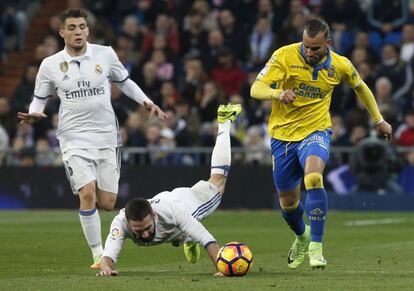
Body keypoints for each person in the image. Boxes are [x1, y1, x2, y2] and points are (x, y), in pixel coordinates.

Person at [17, 8, 168, 269]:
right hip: (73, 138)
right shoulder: (50, 65)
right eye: (72, 27)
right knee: (87, 194)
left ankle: (99, 223)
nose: (78, 32)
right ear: (61, 32)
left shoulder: (105, 54)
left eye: (82, 27)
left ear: (88, 30)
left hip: (107, 136)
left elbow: (125, 82)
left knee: (107, 203)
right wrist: (34, 113)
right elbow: (40, 98)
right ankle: (98, 254)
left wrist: (147, 101)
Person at [250, 18, 392, 270]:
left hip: (316, 130)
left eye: (315, 48)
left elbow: (361, 88)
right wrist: (277, 93)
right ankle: (302, 236)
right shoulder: (284, 55)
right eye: (306, 46)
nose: (309, 51)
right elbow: (256, 88)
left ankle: (316, 246)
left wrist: (378, 120)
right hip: (282, 136)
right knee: (287, 201)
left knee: (313, 177)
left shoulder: (340, 65)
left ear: (328, 43)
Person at [97, 104, 242, 277]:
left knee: (218, 181)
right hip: (166, 203)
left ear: (154, 216)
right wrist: (106, 268)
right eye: (138, 230)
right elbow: (108, 255)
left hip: (186, 203)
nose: (144, 234)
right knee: (179, 232)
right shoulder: (121, 222)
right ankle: (185, 238)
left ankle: (224, 122)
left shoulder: (174, 212)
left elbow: (207, 239)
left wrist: (222, 268)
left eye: (146, 228)